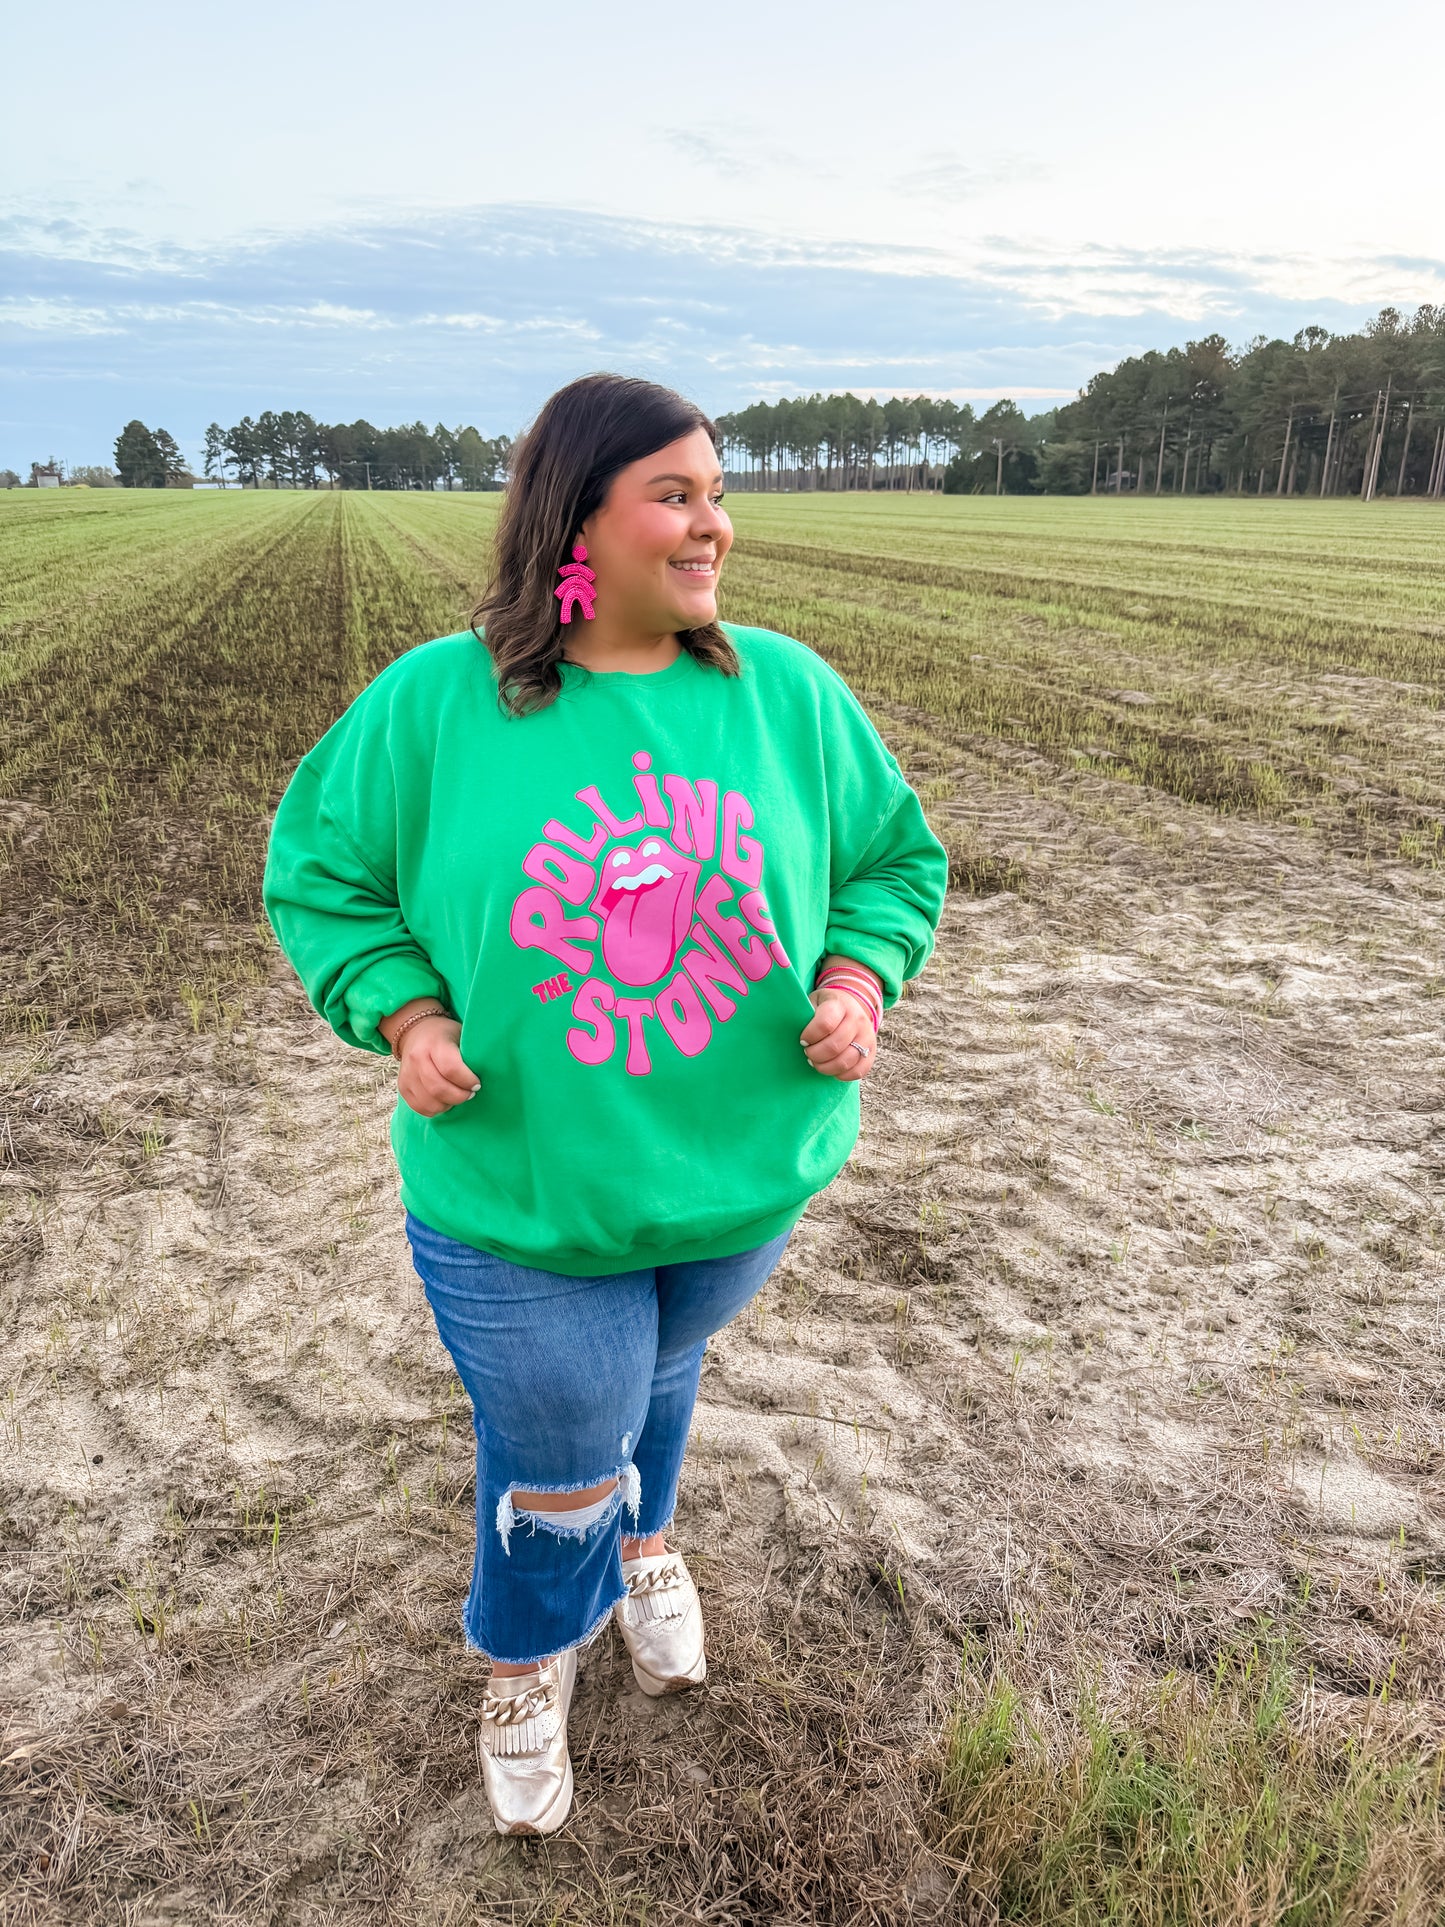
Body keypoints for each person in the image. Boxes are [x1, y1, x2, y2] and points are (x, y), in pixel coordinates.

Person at [263, 374, 946, 1835]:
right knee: (564, 1445)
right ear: (577, 518)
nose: (715, 525)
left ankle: (647, 1540)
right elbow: (324, 872)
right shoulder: (442, 702)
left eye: (717, 491)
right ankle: (523, 1659)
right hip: (522, 1190)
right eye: (677, 494)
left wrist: (858, 978)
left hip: (739, 1180)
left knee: (651, 1375)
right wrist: (405, 1006)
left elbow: (895, 860)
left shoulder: (781, 690)